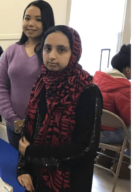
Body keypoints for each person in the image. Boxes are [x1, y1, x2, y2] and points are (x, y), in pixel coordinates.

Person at [16, 25, 101, 192]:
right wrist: (23, 169)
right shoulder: (42, 83)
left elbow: (86, 149)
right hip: (36, 178)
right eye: (47, 48)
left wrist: (34, 153)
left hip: (70, 181)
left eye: (61, 50)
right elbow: (29, 132)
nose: (52, 56)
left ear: (74, 53)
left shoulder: (88, 91)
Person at [0, 0, 55, 148]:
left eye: (38, 20)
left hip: (42, 129)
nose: (30, 24)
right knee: (16, 167)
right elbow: (1, 86)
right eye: (27, 18)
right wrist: (13, 119)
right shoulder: (11, 51)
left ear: (47, 22)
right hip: (14, 126)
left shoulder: (51, 54)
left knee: (37, 170)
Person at [95, 44, 130, 144]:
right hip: (108, 135)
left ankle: (105, 159)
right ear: (127, 69)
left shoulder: (97, 79)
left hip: (92, 130)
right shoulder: (124, 88)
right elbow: (129, 119)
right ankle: (126, 159)